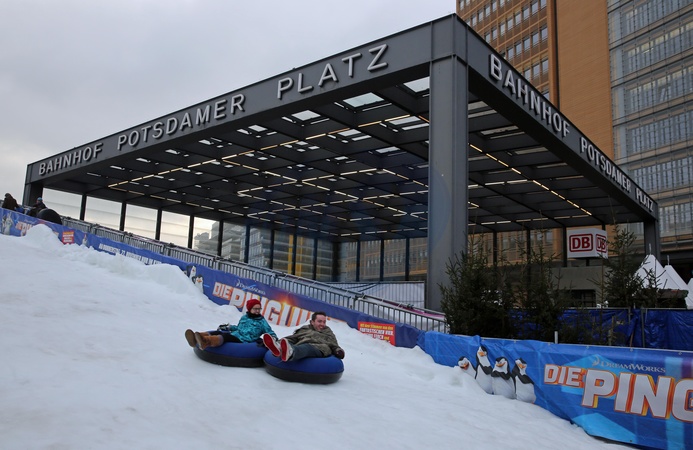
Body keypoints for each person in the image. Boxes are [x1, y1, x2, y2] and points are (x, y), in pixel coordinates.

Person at [184, 299, 277, 350]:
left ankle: (205, 342)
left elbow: (270, 332)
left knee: (225, 337)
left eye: (259, 309)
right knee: (218, 332)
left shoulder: (262, 321)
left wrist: (273, 340)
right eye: (255, 309)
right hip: (236, 334)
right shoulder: (244, 318)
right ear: (249, 309)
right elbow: (239, 328)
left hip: (244, 340)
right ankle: (197, 337)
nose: (257, 311)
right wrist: (229, 327)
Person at [262, 311, 345, 362]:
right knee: (289, 341)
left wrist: (339, 351)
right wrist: (281, 342)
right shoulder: (305, 329)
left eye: (324, 322)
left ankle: (291, 353)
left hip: (319, 348)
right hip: (301, 344)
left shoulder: (327, 332)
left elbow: (334, 345)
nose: (322, 324)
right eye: (319, 321)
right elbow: (293, 337)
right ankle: (277, 347)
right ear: (312, 322)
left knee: (306, 348)